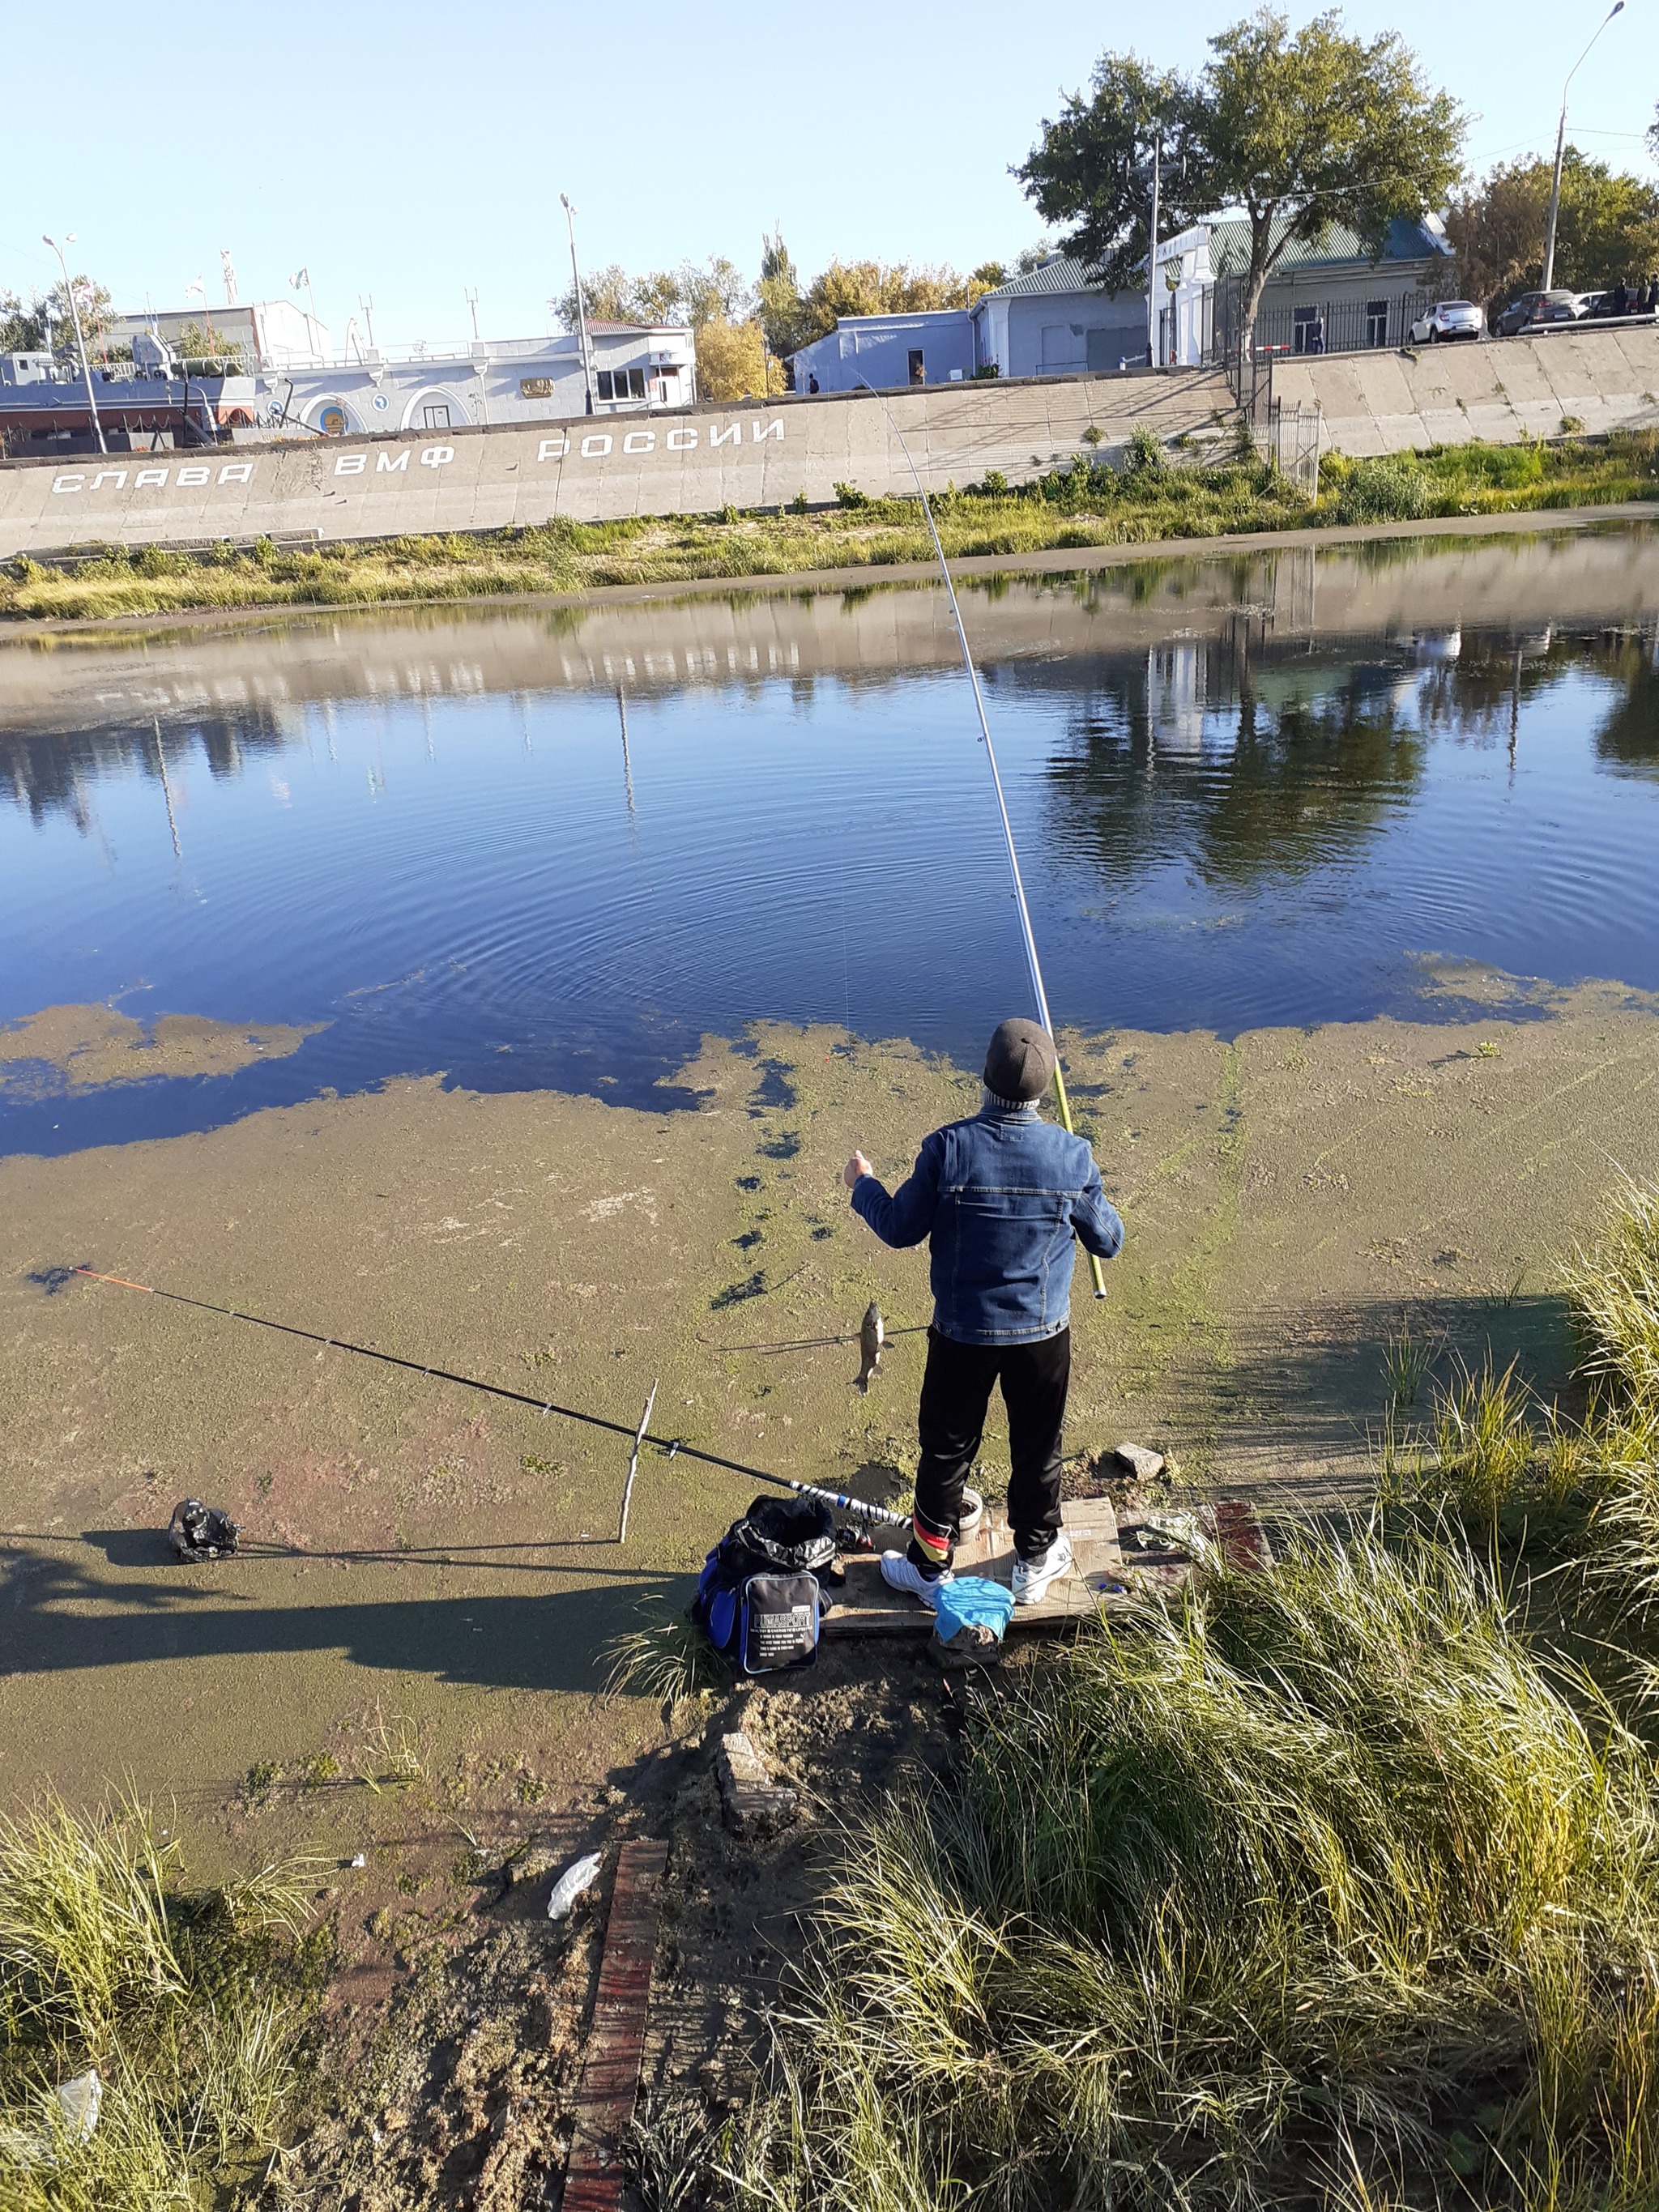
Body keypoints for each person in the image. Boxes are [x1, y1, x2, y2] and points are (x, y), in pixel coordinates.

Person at [842, 1018, 1124, 1609]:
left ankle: (928, 1565)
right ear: (1044, 1091)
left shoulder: (946, 1148)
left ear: (984, 1078)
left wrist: (863, 1185)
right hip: (1042, 1336)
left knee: (945, 1449)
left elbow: (898, 1228)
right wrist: (1085, 1185)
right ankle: (1034, 1560)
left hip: (961, 1334)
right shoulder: (1072, 1156)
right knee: (1038, 1445)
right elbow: (1109, 1241)